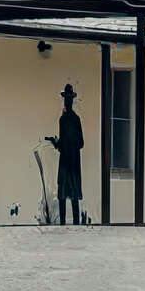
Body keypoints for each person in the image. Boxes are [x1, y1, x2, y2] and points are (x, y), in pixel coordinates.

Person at [47, 83, 85, 226]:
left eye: (67, 99)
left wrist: (57, 143)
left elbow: (67, 144)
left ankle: (64, 223)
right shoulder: (75, 119)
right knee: (71, 194)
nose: (66, 102)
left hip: (66, 163)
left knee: (64, 194)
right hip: (73, 163)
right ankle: (74, 223)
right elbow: (80, 142)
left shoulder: (64, 120)